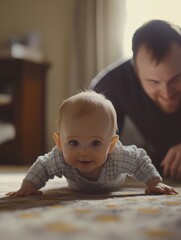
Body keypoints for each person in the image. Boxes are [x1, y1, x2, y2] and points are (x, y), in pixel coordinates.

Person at [6, 90, 177, 198]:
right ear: (59, 142)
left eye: (95, 143)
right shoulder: (59, 157)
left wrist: (154, 182)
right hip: (76, 186)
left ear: (110, 145)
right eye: (74, 142)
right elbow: (42, 166)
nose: (84, 152)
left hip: (115, 181)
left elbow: (140, 159)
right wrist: (28, 185)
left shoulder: (118, 156)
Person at [90, 19, 181, 179]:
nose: (167, 93)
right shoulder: (112, 83)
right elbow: (88, 145)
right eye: (154, 82)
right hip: (157, 163)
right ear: (136, 72)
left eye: (176, 79)